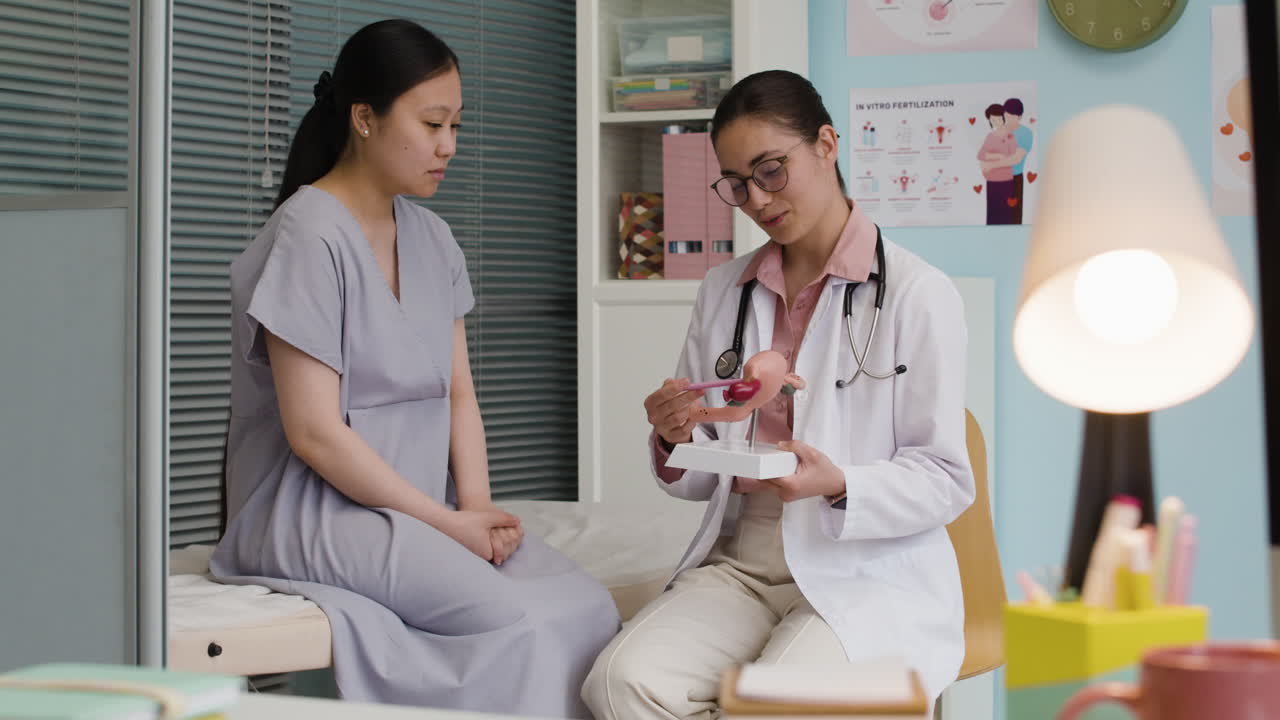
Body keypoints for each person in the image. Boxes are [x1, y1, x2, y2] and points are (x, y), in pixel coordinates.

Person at [209, 19, 618, 717]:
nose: (448, 146)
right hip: (309, 512)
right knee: (510, 618)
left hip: (415, 510)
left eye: (456, 125)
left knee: (586, 607)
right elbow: (313, 433)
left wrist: (478, 508)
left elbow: (459, 393)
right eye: (432, 124)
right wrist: (442, 522)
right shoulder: (309, 236)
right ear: (364, 118)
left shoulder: (432, 237)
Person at [580, 69, 975, 718]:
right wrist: (675, 436)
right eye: (736, 184)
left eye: (770, 170)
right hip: (744, 561)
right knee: (621, 684)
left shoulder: (915, 294)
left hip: (862, 566)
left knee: (769, 705)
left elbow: (944, 479)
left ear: (825, 145)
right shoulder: (724, 290)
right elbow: (697, 468)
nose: (756, 200)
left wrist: (838, 481)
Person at [978, 102, 1017, 225]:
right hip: (991, 181)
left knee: (1006, 215)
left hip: (1006, 181)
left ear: (1004, 118)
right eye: (993, 119)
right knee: (993, 215)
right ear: (989, 119)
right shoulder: (990, 136)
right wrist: (997, 156)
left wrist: (992, 160)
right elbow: (980, 155)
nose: (996, 121)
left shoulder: (1010, 135)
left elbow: (1012, 156)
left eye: (999, 118)